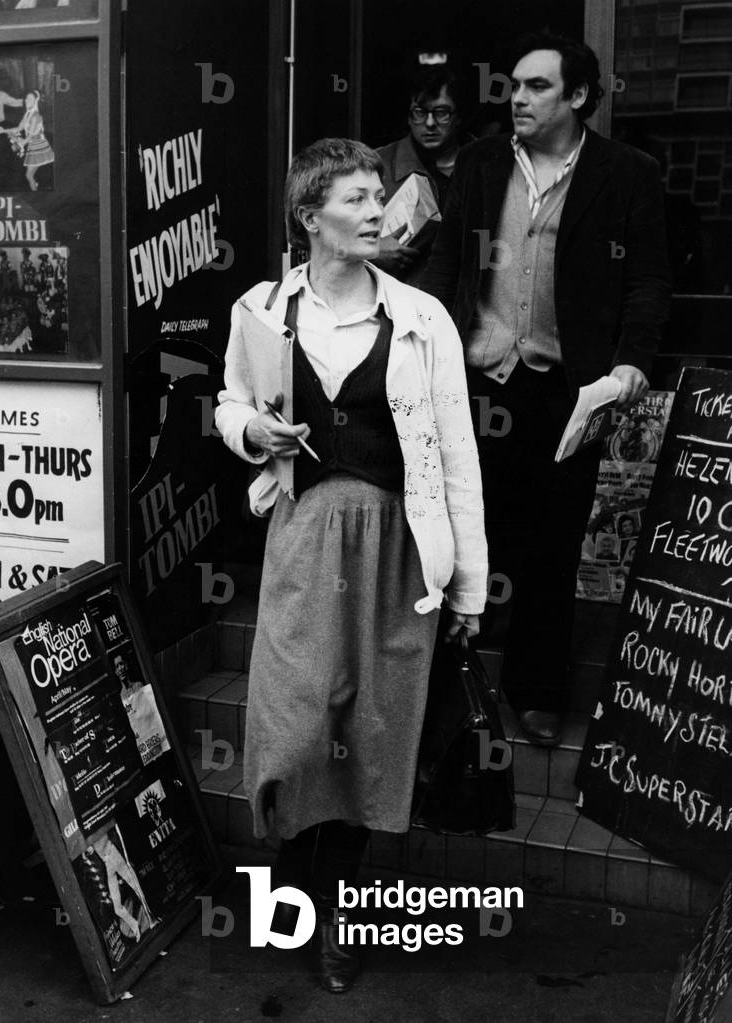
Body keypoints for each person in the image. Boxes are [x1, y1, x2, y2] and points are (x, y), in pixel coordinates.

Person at [215, 137, 487, 993]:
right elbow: (228, 400)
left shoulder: (420, 317)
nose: (379, 211)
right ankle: (297, 867)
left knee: (371, 735)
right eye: (359, 199)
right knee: (297, 728)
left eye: (380, 197)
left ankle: (337, 917)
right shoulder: (260, 309)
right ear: (311, 218)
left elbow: (455, 455)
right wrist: (252, 431)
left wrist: (469, 585)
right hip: (301, 536)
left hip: (399, 547)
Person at [422, 33, 670, 746]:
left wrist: (628, 365)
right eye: (514, 86)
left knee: (553, 541)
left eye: (535, 87)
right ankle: (442, 685)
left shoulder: (627, 173)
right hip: (475, 376)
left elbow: (649, 282)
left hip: (565, 386)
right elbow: (448, 261)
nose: (517, 99)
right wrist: (417, 343)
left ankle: (535, 688)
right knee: (458, 529)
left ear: (579, 97)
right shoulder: (479, 161)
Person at [373, 65, 469, 285]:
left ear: (459, 116)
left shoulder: (481, 165)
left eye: (441, 113)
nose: (429, 123)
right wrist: (371, 251)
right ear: (408, 117)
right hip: (399, 305)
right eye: (420, 113)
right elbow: (333, 237)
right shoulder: (377, 164)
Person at [0, 90, 54, 191]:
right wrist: (4, 130)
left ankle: (36, 190)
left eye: (30, 99)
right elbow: (19, 128)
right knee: (29, 175)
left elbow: (31, 136)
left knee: (29, 175)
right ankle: (35, 187)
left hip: (38, 146)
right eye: (27, 98)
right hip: (32, 144)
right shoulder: (27, 114)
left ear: (35, 101)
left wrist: (20, 143)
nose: (27, 100)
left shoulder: (36, 116)